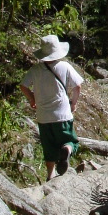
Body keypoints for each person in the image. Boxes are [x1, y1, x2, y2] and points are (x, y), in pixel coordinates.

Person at [20, 34, 83, 181]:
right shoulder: (65, 66)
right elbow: (77, 86)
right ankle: (66, 151)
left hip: (43, 117)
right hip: (62, 115)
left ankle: (50, 175)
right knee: (71, 141)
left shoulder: (35, 70)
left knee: (48, 147)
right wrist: (73, 103)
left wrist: (32, 99)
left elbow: (23, 86)